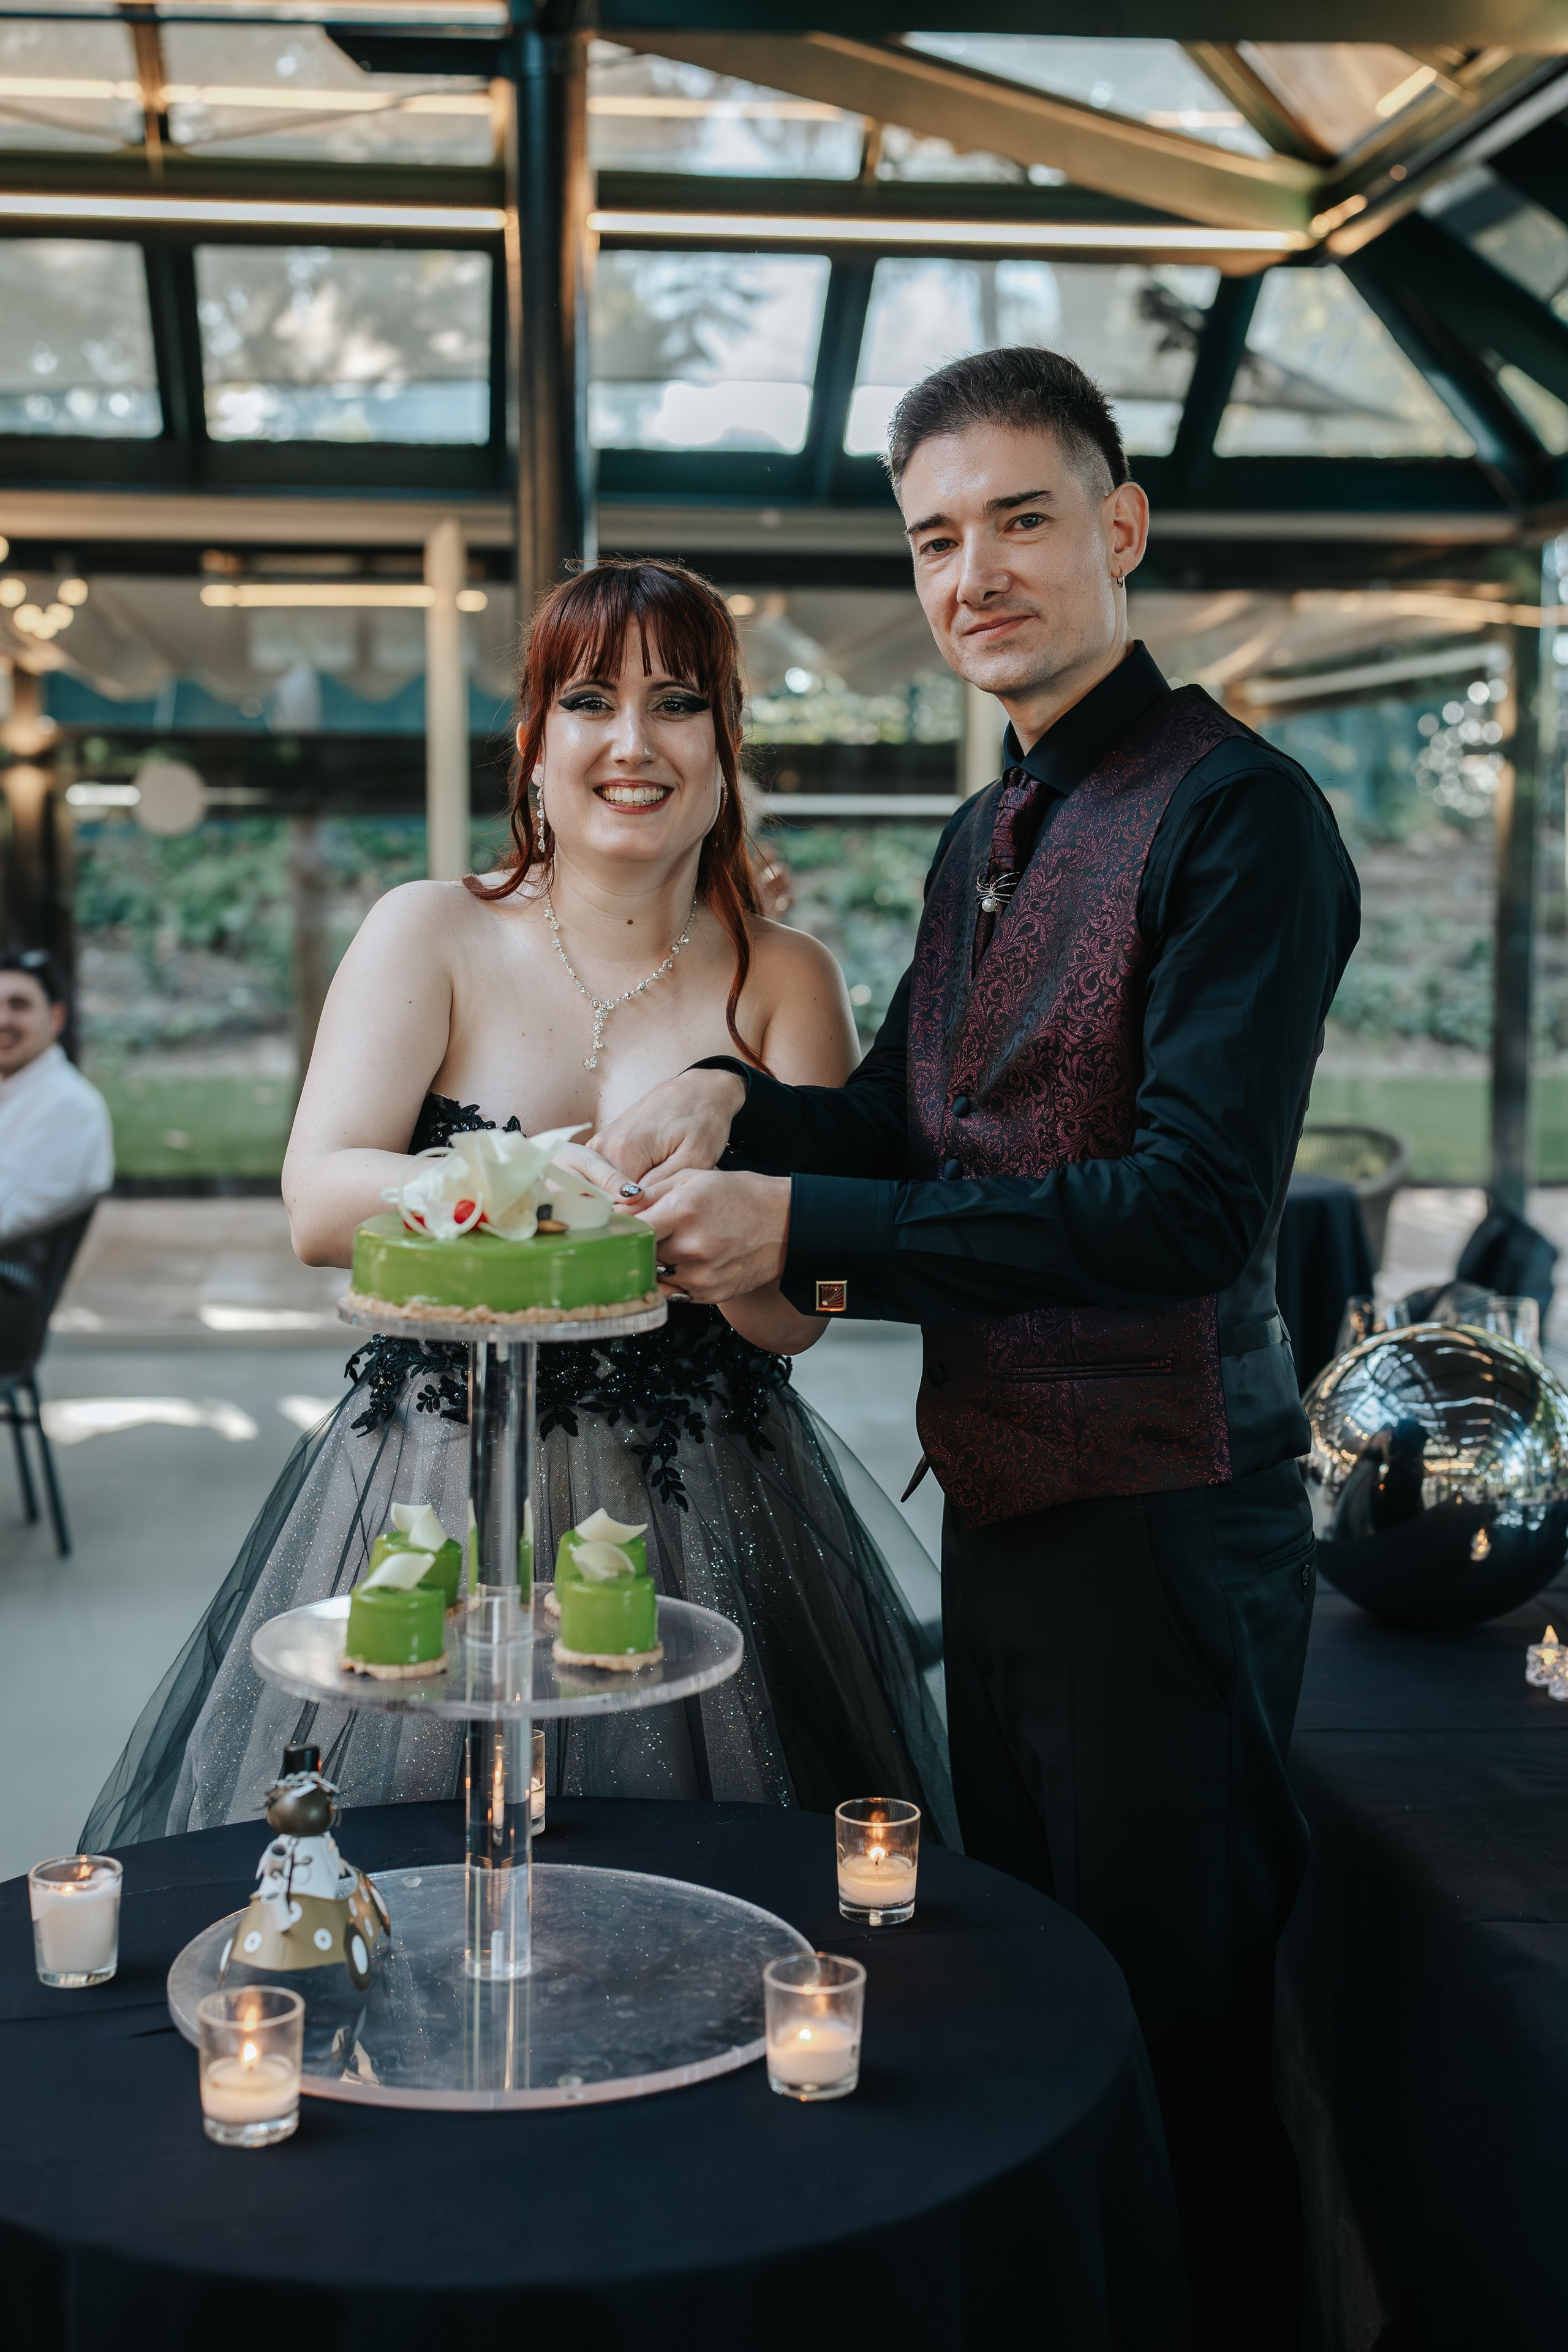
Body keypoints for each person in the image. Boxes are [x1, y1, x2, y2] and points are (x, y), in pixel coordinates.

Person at [589, 350, 1360, 2348]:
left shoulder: (1242, 816)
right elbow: (903, 1143)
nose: (975, 571)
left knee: (1175, 2036)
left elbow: (1189, 1212)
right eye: (937, 535)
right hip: (1015, 1512)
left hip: (1172, 1523)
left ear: (1120, 528)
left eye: (1020, 517)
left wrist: (810, 1233)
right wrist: (730, 1106)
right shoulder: (985, 829)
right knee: (1040, 1999)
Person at [83, 558, 952, 1857]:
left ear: (722, 743)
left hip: (708, 1497)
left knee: (706, 1877)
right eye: (590, 699)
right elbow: (320, 1202)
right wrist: (540, 1187)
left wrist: (732, 1245)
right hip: (431, 1477)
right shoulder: (428, 932)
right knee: (408, 1866)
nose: (631, 742)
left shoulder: (784, 979)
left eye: (675, 703)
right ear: (532, 740)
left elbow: (789, 1326)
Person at [0, 947, 113, 1236]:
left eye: (19, 1005)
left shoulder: (66, 1107)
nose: (2, 1021)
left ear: (55, 1018)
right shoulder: (16, 1092)